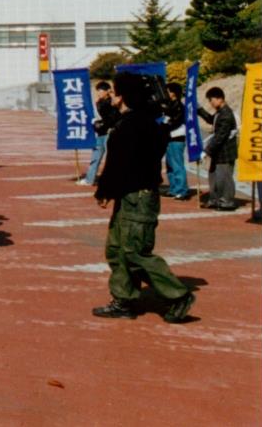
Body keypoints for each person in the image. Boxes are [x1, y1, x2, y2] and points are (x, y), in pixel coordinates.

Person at [92, 72, 195, 323]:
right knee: (117, 250)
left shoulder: (135, 125)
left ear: (125, 95)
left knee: (134, 252)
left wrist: (104, 190)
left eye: (116, 93)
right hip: (130, 195)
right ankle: (123, 299)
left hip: (138, 196)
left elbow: (119, 163)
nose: (112, 97)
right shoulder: (141, 122)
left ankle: (178, 296)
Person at [198, 86, 239, 211]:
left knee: (224, 177)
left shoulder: (226, 114)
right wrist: (199, 110)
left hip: (225, 152)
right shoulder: (220, 112)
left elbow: (220, 136)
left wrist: (206, 151)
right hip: (217, 152)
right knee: (214, 177)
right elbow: (212, 120)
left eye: (212, 100)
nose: (211, 103)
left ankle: (227, 201)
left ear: (220, 98)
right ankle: (215, 199)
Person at [79, 81, 119, 186]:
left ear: (107, 91)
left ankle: (114, 180)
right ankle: (90, 179)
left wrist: (112, 96)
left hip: (110, 132)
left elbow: (113, 117)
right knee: (96, 156)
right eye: (97, 91)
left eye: (100, 91)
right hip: (101, 133)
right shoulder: (100, 102)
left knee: (112, 158)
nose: (98, 93)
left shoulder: (113, 102)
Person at [163, 82, 189, 200]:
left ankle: (182, 190)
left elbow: (175, 122)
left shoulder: (179, 106)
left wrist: (165, 126)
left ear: (173, 93)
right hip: (169, 138)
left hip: (177, 138)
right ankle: (173, 188)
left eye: (168, 91)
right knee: (170, 165)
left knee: (177, 164)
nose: (166, 93)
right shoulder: (170, 105)